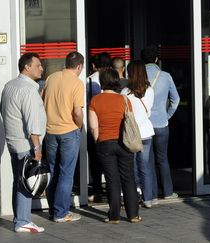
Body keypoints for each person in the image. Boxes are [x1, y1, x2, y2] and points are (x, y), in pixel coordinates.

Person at [0, 53, 46, 233]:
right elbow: (32, 122)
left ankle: (20, 219)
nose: (41, 68)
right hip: (25, 144)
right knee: (28, 181)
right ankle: (23, 221)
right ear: (27, 67)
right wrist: (37, 147)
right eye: (38, 65)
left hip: (13, 142)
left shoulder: (10, 86)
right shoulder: (28, 90)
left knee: (19, 181)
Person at [89, 68, 141, 224]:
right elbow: (130, 122)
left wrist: (99, 139)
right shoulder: (124, 100)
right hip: (124, 144)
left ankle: (114, 216)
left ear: (102, 82)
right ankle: (133, 215)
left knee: (112, 179)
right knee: (128, 178)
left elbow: (93, 126)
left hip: (105, 143)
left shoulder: (95, 100)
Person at [42, 51, 84, 223]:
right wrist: (79, 126)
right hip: (68, 131)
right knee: (66, 173)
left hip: (50, 131)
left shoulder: (51, 78)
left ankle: (53, 210)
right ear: (79, 66)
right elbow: (77, 111)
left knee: (53, 171)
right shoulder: (77, 83)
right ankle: (61, 212)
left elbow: (41, 100)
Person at [141, 46, 180, 200]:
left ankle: (151, 195)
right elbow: (175, 100)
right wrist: (167, 116)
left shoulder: (138, 75)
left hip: (144, 125)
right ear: (157, 59)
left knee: (148, 161)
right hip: (161, 124)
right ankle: (168, 192)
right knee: (163, 158)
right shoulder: (165, 76)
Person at [121, 60, 155, 208]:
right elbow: (150, 108)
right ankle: (148, 199)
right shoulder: (150, 90)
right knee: (145, 167)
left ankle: (134, 196)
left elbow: (125, 113)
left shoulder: (125, 93)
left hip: (132, 134)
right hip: (147, 132)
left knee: (132, 168)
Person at [86, 52, 112, 202]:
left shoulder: (88, 81)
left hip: (94, 124)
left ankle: (97, 189)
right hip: (110, 124)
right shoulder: (114, 79)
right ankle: (111, 189)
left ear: (94, 66)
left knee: (95, 159)